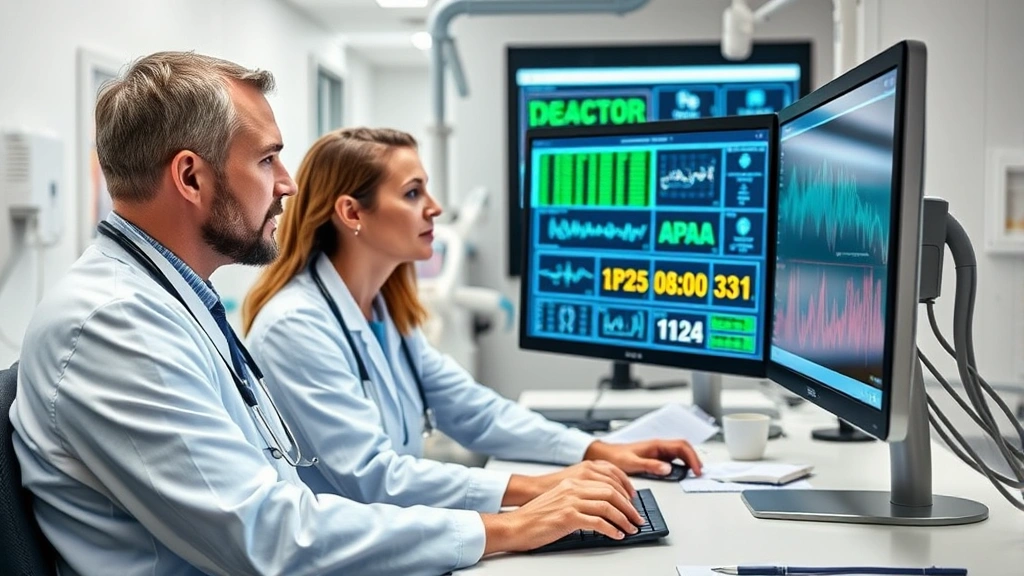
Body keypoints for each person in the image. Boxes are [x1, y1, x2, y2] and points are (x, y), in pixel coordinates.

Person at [9, 52, 647, 576]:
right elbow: (265, 536)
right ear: (191, 177)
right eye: (266, 160)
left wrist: (586, 460)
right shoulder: (115, 326)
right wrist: (508, 523)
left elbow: (285, 499)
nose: (286, 182)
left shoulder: (173, 300)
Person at [242, 127, 703, 515]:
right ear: (351, 212)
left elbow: (476, 411)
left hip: (402, 535)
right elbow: (374, 477)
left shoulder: (384, 312)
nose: (435, 208)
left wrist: (597, 451)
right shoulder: (295, 326)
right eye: (412, 193)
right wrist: (540, 489)